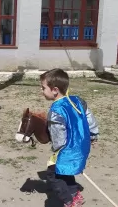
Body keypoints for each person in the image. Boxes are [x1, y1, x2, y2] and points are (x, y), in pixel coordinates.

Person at [40, 68, 99, 207]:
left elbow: (58, 136)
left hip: (68, 150)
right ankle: (75, 194)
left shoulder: (56, 110)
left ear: (55, 90)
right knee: (65, 172)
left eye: (43, 88)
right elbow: (90, 119)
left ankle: (70, 201)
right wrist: (94, 135)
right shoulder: (78, 101)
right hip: (82, 146)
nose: (41, 91)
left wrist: (57, 150)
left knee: (53, 175)